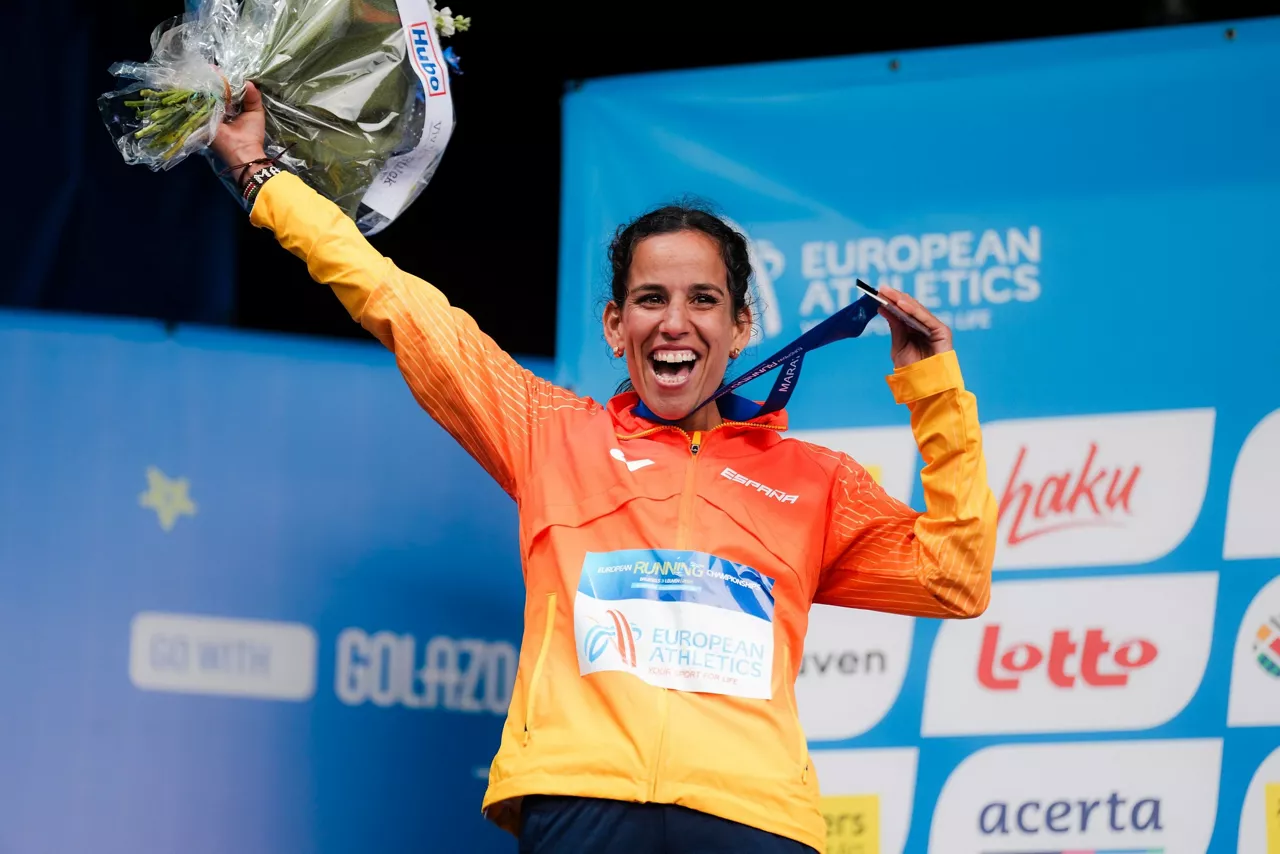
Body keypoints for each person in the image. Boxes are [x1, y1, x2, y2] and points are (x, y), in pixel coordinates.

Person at [212, 83, 998, 854]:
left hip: (753, 818)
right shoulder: (549, 433)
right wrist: (259, 175)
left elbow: (956, 578)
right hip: (582, 803)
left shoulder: (814, 481)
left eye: (703, 300)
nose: (675, 322)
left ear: (741, 327)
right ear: (616, 326)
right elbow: (396, 300)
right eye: (651, 299)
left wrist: (934, 388)